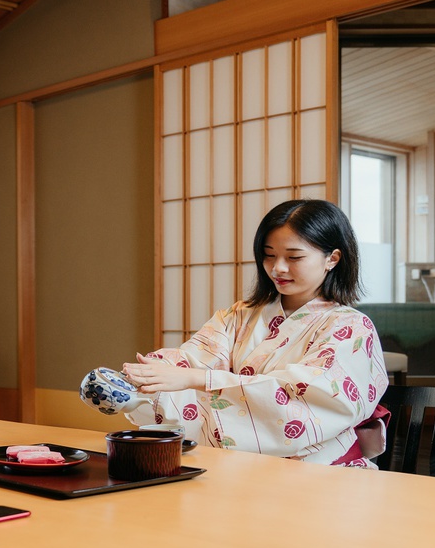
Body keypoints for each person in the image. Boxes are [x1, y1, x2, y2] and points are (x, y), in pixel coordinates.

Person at [120, 199, 390, 466]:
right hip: (234, 465)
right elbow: (191, 361)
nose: (277, 268)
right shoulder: (238, 316)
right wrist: (139, 381)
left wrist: (199, 379)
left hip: (322, 472)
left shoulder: (351, 328)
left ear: (332, 258)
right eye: (269, 254)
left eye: (294, 257)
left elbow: (311, 403)